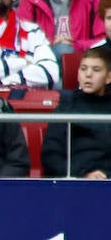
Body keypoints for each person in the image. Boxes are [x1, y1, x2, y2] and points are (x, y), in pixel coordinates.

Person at [41, 45, 111, 178]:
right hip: (74, 181)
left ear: (108, 78)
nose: (88, 74)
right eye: (83, 69)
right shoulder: (67, 106)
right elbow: (51, 155)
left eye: (96, 70)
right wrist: (83, 174)